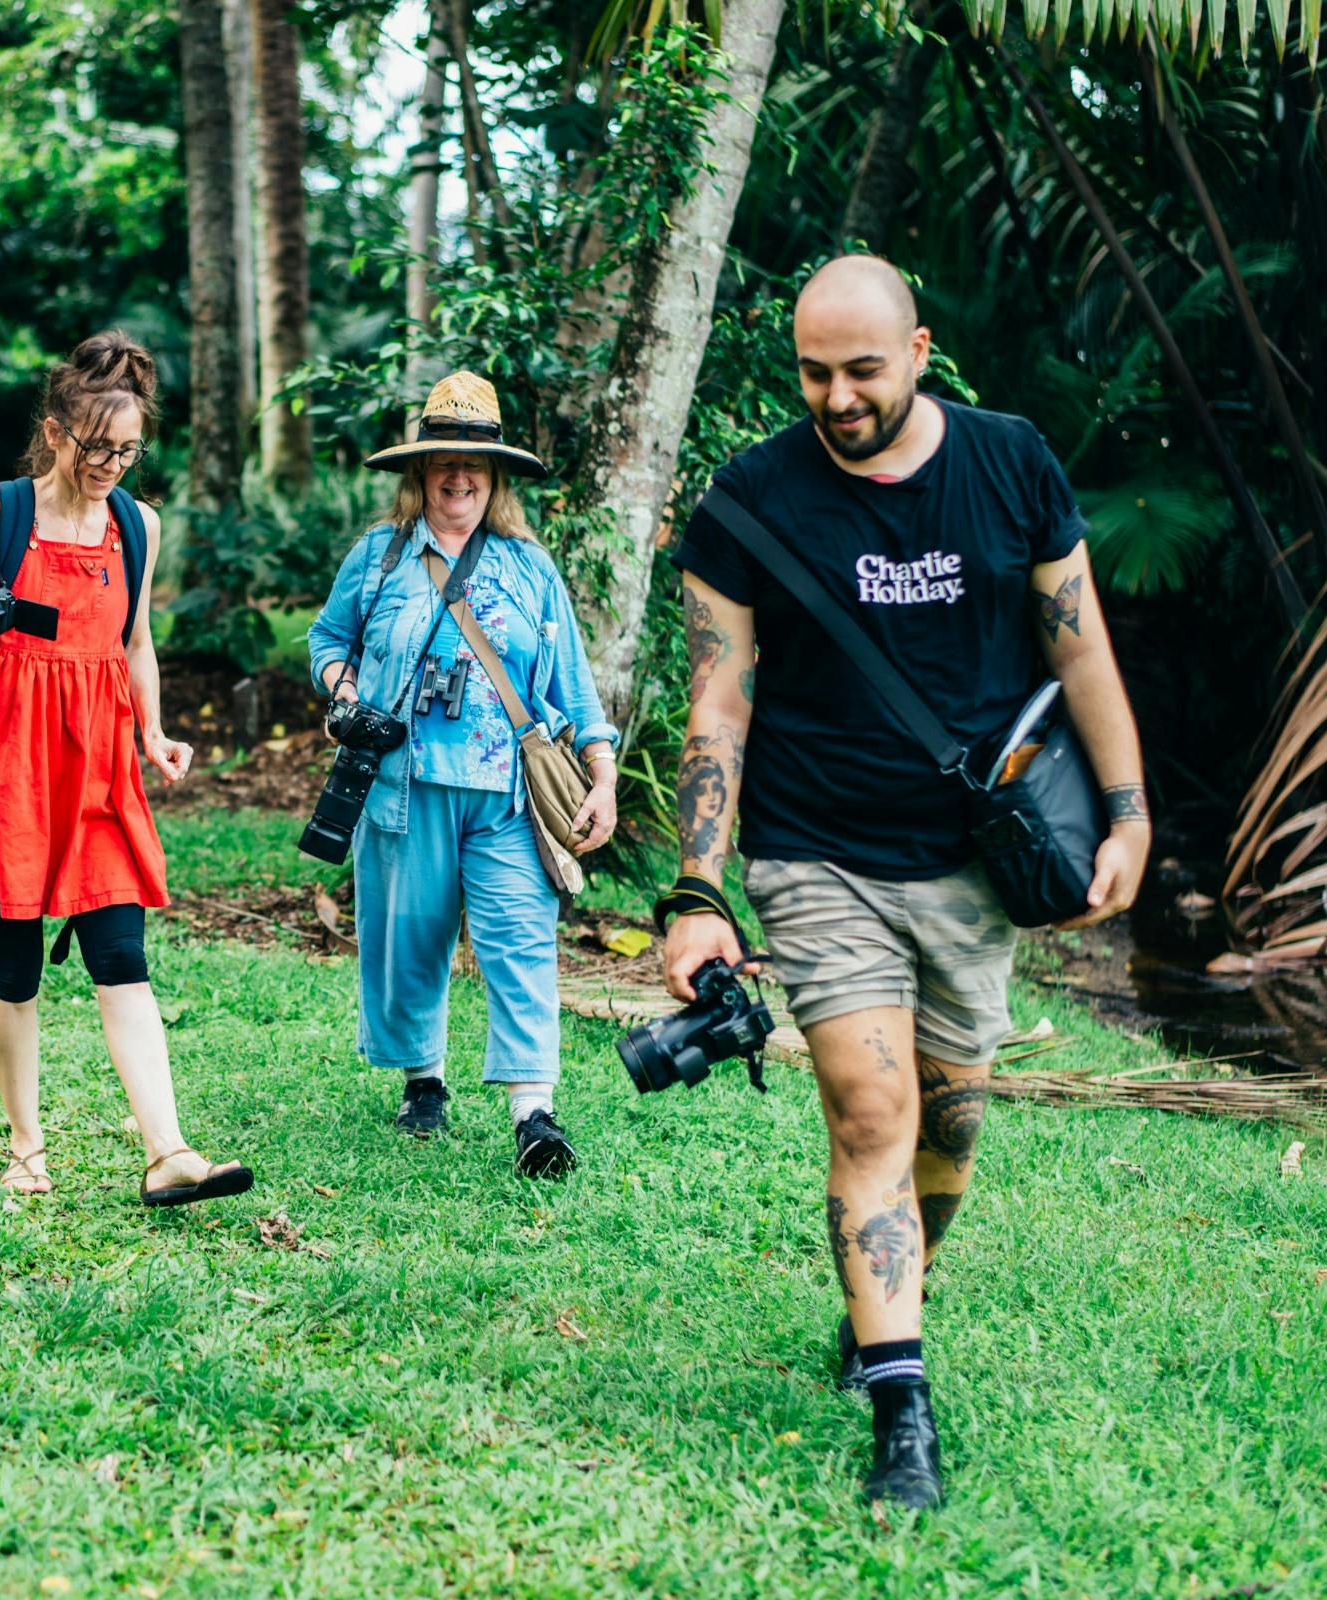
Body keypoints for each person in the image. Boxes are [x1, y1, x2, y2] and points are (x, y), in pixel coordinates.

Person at [663, 255, 1151, 1511]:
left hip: (969, 864)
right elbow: (718, 700)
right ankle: (901, 1407)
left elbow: (1074, 640)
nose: (834, 396)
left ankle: (887, 1305)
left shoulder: (1008, 464)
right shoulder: (750, 502)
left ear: (919, 349)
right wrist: (697, 888)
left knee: (949, 1126)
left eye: (860, 369)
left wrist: (1126, 810)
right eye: (812, 373)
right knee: (869, 1115)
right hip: (815, 850)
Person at [0, 331, 253, 1207]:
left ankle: (168, 1152)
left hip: (97, 762)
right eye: (97, 447)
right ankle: (26, 1150)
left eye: (127, 450)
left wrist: (154, 733)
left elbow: (135, 642)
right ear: (56, 431)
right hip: (5, 759)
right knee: (13, 970)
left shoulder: (139, 523)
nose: (111, 466)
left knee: (121, 955)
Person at [307, 371, 620, 1177]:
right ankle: (425, 1081)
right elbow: (327, 639)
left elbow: (575, 689)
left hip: (510, 795)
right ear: (420, 472)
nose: (458, 477)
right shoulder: (378, 557)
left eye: (474, 464)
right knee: (411, 941)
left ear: (496, 477)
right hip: (404, 787)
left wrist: (604, 775)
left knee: (520, 943)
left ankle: (534, 1112)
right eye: (443, 461)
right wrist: (344, 691)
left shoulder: (527, 568)